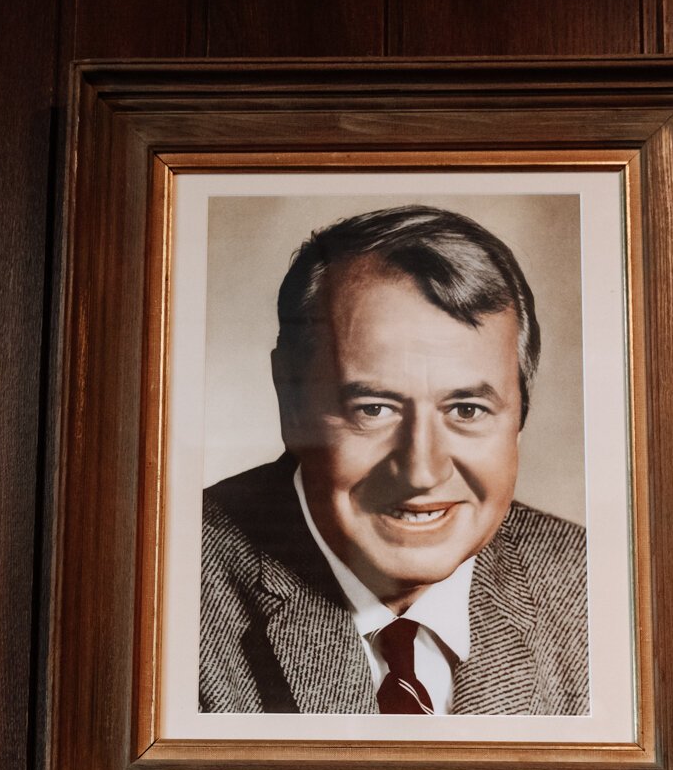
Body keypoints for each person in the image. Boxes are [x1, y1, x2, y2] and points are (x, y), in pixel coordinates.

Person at [199, 205, 588, 716]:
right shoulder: (170, 595)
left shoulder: (592, 590)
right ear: (290, 401)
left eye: (467, 409)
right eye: (374, 409)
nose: (422, 471)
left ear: (520, 413)